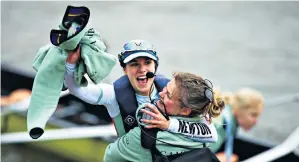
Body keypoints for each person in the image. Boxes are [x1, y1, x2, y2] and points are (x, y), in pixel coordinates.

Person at [64, 40, 218, 142]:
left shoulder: (171, 93)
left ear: (155, 67)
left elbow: (211, 134)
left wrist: (168, 124)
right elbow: (77, 90)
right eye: (134, 64)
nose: (142, 70)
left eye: (147, 63)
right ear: (124, 70)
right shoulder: (113, 95)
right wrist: (71, 63)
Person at [104, 72, 225, 162]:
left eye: (168, 95)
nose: (161, 93)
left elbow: (110, 156)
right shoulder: (207, 130)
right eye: (165, 88)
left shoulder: (146, 135)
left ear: (185, 111)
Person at [209, 88, 264, 162]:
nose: (256, 122)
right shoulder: (220, 126)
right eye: (253, 115)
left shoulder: (227, 117)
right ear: (238, 110)